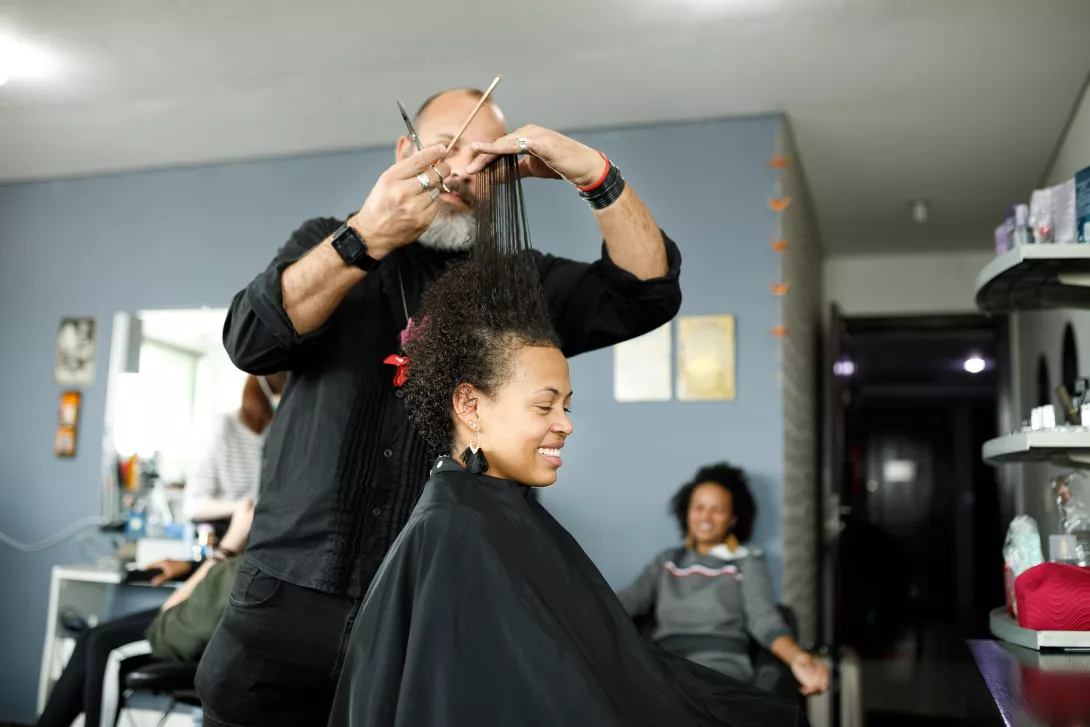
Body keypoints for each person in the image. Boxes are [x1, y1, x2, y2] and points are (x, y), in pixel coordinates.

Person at [197, 87, 684, 726]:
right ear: (406, 150)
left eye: (487, 160)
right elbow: (250, 339)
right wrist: (363, 237)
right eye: (446, 147)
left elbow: (645, 292)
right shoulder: (327, 240)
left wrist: (592, 172)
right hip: (284, 607)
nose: (461, 169)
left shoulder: (520, 285)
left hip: (435, 615)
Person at [326, 171, 805, 726]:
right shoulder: (455, 533)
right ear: (470, 405)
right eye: (544, 406)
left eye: (567, 406)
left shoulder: (490, 513)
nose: (566, 426)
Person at [617, 463, 830, 696]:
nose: (705, 516)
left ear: (732, 519)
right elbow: (627, 600)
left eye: (717, 509)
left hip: (719, 668)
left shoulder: (746, 562)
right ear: (686, 512)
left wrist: (798, 658)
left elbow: (764, 619)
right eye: (698, 507)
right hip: (665, 663)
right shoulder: (667, 562)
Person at [36, 499, 253, 727]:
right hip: (200, 610)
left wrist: (228, 545)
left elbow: (170, 609)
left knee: (103, 645)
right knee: (88, 638)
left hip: (210, 636)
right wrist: (192, 566)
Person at [185, 373, 285, 521]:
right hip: (224, 526)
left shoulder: (278, 433)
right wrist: (244, 507)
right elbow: (193, 506)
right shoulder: (221, 427)